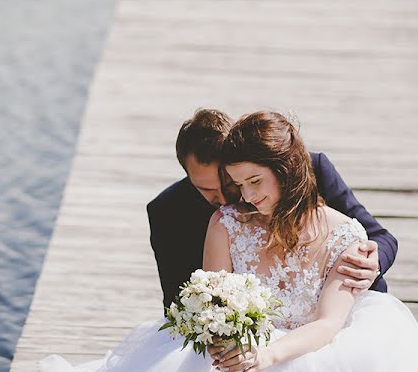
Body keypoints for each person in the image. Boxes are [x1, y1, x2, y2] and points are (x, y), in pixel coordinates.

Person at [11, 111, 418, 372]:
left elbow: (371, 246)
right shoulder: (196, 218)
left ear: (285, 170)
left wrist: (368, 262)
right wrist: (217, 333)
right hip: (234, 339)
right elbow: (186, 299)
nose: (236, 197)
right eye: (225, 187)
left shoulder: (326, 194)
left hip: (317, 336)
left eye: (246, 183)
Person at [148, 108, 397, 310]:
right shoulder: (168, 212)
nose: (224, 199)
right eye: (207, 190)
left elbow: (380, 236)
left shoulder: (308, 168)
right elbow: (177, 302)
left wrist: (372, 261)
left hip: (338, 311)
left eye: (228, 184)